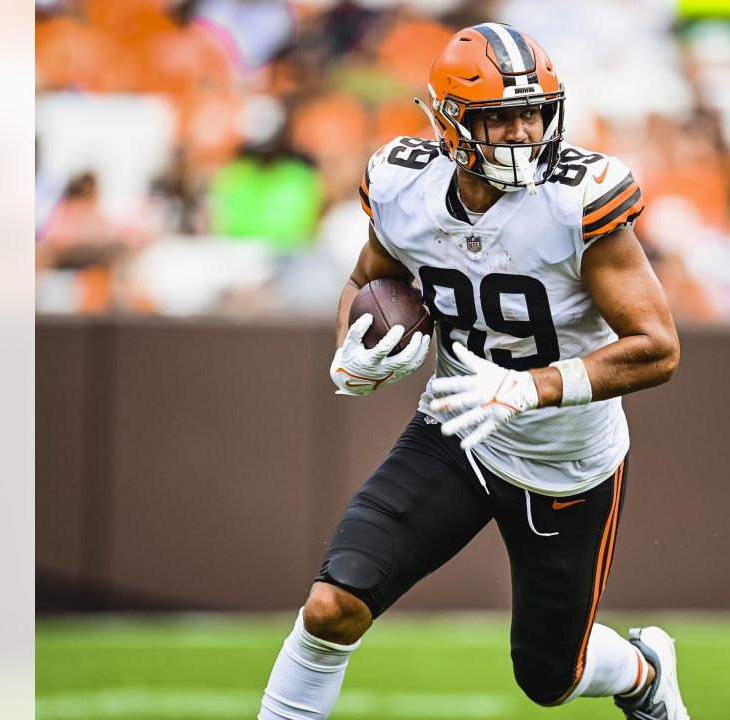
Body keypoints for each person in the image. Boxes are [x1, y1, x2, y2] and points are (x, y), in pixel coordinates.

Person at [257, 23, 687, 720]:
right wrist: (354, 347)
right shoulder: (404, 188)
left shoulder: (576, 202)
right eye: (499, 117)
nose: (522, 133)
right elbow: (369, 279)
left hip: (565, 460)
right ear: (450, 123)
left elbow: (659, 347)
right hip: (455, 428)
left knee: (551, 677)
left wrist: (529, 387)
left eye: (533, 112)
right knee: (332, 606)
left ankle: (643, 673)